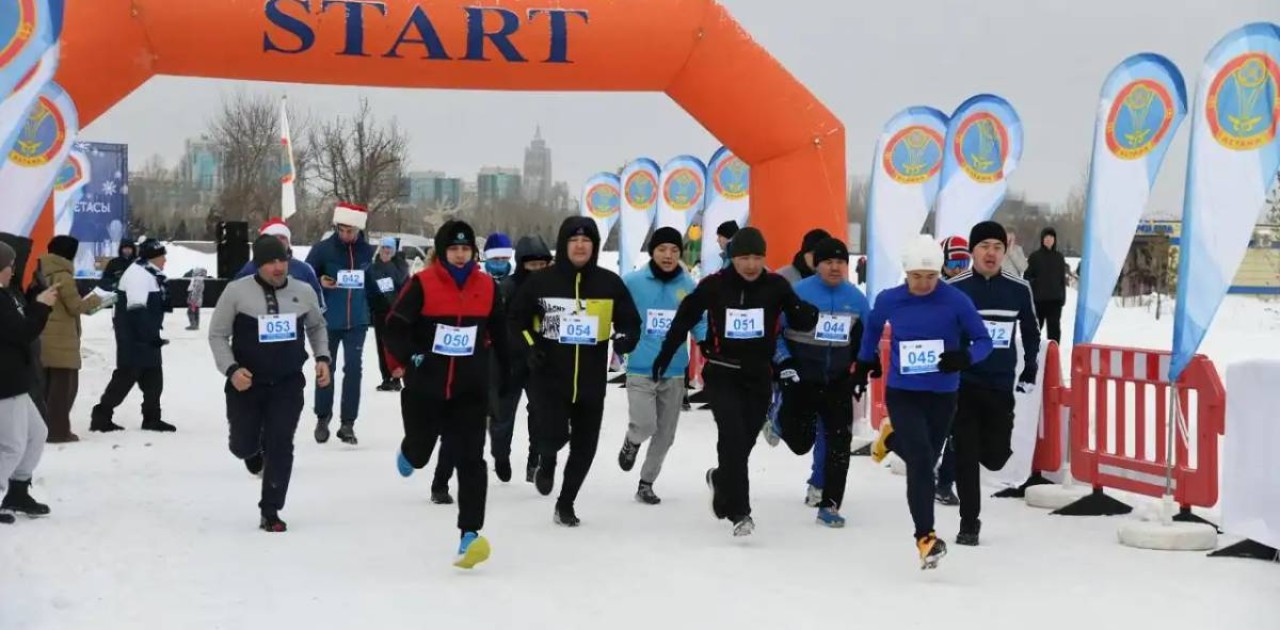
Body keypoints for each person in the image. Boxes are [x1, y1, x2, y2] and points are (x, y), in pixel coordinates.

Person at [652, 227, 818, 536]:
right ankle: (741, 512)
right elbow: (686, 316)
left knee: (742, 443)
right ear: (733, 258)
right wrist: (665, 355)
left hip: (759, 377)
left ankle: (721, 480)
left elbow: (799, 317)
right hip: (722, 373)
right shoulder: (715, 284)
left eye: (757, 258)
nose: (751, 265)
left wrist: (807, 313)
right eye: (744, 258)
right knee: (732, 436)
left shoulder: (776, 286)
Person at [854, 234, 992, 569]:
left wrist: (964, 357)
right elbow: (872, 328)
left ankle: (891, 439)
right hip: (903, 392)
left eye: (931, 276)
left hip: (943, 394)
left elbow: (984, 340)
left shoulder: (956, 300)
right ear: (906, 272)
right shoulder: (890, 299)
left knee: (927, 459)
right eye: (916, 276)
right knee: (920, 461)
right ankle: (925, 537)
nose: (923, 283)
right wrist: (865, 361)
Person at [385, 220, 508, 568]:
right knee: (421, 453)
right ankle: (410, 451)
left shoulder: (487, 287)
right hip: (425, 388)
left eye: (466, 249)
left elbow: (500, 333)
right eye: (453, 249)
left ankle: (470, 534)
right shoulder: (422, 284)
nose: (460, 255)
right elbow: (394, 326)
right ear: (442, 252)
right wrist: (408, 358)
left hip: (470, 391)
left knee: (471, 460)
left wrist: (508, 374)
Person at [509, 217, 641, 527]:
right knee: (553, 436)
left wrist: (625, 338)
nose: (580, 246)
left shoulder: (609, 284)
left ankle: (565, 503)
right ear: (563, 244)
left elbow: (630, 322)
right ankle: (547, 460)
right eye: (573, 240)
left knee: (586, 445)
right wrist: (530, 347)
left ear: (594, 246)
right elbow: (515, 321)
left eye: (586, 241)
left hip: (591, 382)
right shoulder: (541, 282)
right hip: (550, 378)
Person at [208, 236, 331, 533]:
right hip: (247, 384)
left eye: (282, 260)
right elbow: (217, 334)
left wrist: (322, 358)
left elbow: (316, 326)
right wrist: (232, 370)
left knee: (280, 443)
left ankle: (271, 510)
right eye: (270, 262)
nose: (278, 267)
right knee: (242, 445)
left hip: (287, 383)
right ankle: (251, 452)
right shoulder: (236, 292)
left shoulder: (303, 291)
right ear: (257, 265)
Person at [947, 221, 1040, 546]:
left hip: (1000, 384)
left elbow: (1031, 331)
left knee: (996, 456)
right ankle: (969, 523)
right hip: (964, 384)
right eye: (984, 246)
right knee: (967, 454)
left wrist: (1030, 366)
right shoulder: (954, 288)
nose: (991, 253)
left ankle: (980, 450)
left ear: (1005, 251)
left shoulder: (1018, 289)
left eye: (998, 247)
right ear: (973, 251)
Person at [774, 237, 868, 527]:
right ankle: (776, 417)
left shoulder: (856, 299)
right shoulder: (798, 293)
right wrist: (785, 363)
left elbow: (866, 341)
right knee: (800, 442)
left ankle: (830, 505)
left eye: (840, 262)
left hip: (837, 381)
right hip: (802, 380)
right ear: (816, 265)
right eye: (828, 262)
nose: (835, 267)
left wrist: (862, 369)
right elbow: (776, 333)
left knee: (840, 444)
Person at [618, 227, 706, 505]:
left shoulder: (688, 285)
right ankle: (633, 440)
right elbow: (616, 312)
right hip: (641, 366)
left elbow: (698, 320)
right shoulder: (632, 281)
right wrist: (620, 336)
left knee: (666, 434)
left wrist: (707, 343)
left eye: (674, 250)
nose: (668, 255)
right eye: (662, 249)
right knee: (645, 424)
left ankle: (646, 483)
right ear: (652, 252)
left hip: (675, 369)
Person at [305, 203, 376, 445]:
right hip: (328, 320)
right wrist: (320, 281)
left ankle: (348, 423)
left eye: (351, 231)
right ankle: (322, 416)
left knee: (354, 369)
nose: (346, 235)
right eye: (342, 230)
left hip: (357, 321)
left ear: (358, 230)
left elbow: (372, 282)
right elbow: (304, 277)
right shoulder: (323, 250)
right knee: (326, 367)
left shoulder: (366, 252)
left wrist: (381, 309)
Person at [90, 239, 175, 433]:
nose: (164, 260)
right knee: (125, 378)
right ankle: (101, 416)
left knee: (154, 379)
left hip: (145, 337)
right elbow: (136, 310)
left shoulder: (148, 273)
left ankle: (152, 418)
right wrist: (150, 335)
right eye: (162, 256)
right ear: (153, 257)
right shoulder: (138, 275)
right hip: (134, 339)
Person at [0, 242, 57, 524]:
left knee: (37, 433)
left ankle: (18, 491)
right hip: (5, 383)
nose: (12, 271)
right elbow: (22, 332)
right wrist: (42, 307)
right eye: (9, 266)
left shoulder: (5, 295)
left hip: (16, 381)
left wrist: (36, 301)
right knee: (11, 445)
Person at [494, 235, 553, 484]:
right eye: (532, 265)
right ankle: (500, 455)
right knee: (503, 415)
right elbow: (500, 325)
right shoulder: (507, 288)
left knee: (540, 412)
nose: (537, 270)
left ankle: (534, 461)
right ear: (521, 264)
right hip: (510, 360)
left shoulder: (553, 287)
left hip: (540, 361)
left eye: (542, 265)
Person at [36, 235, 103, 443]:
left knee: (46, 388)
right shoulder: (63, 277)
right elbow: (75, 307)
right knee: (63, 389)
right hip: (62, 340)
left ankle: (41, 429)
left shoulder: (39, 272)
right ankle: (58, 431)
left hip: (43, 336)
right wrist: (97, 299)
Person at [934, 235, 972, 505]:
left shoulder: (969, 291)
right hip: (934, 371)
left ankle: (945, 482)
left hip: (962, 370)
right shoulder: (931, 289)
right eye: (954, 262)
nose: (959, 268)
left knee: (959, 430)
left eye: (964, 262)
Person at [235, 219, 325, 306]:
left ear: (288, 242)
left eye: (283, 237)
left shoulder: (304, 269)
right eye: (274, 237)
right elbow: (235, 297)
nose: (279, 241)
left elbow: (317, 301)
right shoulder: (251, 268)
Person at [367, 236, 409, 392]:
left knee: (394, 345)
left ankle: (396, 377)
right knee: (381, 345)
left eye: (389, 248)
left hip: (396, 313)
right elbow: (370, 286)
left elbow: (399, 280)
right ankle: (386, 377)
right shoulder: (374, 266)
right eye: (384, 248)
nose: (386, 251)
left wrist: (388, 264)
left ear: (394, 250)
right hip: (380, 312)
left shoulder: (401, 265)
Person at [1024, 227, 1069, 343]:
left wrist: (1063, 297)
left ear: (1054, 240)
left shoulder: (1059, 257)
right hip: (1038, 301)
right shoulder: (1034, 257)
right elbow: (1027, 277)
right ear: (1042, 239)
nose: (1049, 240)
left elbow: (1062, 279)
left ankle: (1053, 351)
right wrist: (1035, 284)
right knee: (1035, 329)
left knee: (1054, 330)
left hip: (1055, 301)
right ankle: (1032, 351)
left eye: (1051, 237)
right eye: (1046, 237)